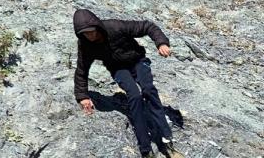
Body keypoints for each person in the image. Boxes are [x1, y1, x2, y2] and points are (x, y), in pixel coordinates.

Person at [73, 9, 184, 158]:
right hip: (118, 68)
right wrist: (83, 96)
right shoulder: (85, 44)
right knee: (135, 96)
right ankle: (146, 150)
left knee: (148, 90)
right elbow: (82, 69)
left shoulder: (115, 26)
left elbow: (148, 26)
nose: (90, 35)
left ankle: (167, 142)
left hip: (138, 61)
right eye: (85, 33)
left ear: (97, 25)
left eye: (92, 31)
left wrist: (161, 43)